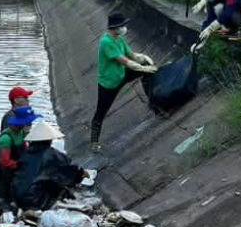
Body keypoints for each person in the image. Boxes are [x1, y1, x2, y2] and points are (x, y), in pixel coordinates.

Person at [90, 12, 157, 151]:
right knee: (100, 113)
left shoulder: (118, 38)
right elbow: (125, 61)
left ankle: (155, 101)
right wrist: (140, 67)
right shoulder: (106, 41)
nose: (124, 28)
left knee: (148, 71)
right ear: (114, 27)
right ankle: (94, 143)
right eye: (122, 25)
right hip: (109, 84)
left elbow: (131, 55)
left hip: (121, 74)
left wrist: (143, 58)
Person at [12, 121, 86, 211]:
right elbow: (67, 170)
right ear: (49, 140)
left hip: (17, 197)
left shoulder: (26, 153)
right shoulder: (51, 154)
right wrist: (81, 172)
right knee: (62, 188)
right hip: (35, 199)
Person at [0, 106, 40, 200]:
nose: (29, 124)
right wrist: (21, 165)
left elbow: (25, 148)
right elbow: (5, 161)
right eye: (28, 122)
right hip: (8, 173)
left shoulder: (21, 133)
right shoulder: (6, 139)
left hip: (18, 169)